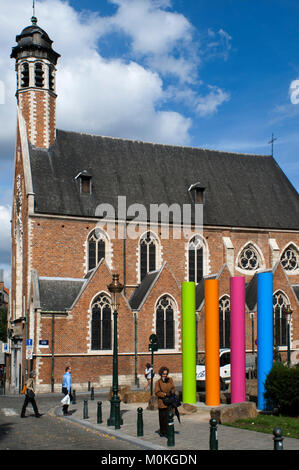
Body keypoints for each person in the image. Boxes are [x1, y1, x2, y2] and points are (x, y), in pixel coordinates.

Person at [154, 366, 176, 437]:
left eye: (166, 374)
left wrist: (172, 392)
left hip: (169, 402)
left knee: (169, 417)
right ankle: (163, 431)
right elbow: (157, 392)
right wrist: (164, 394)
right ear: (161, 374)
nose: (165, 375)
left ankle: (168, 431)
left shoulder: (170, 380)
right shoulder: (158, 382)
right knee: (162, 418)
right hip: (162, 402)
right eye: (163, 374)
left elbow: (173, 388)